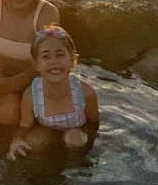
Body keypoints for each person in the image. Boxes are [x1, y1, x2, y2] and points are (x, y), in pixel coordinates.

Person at [8, 25, 98, 158]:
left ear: (73, 60)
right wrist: (16, 141)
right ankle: (42, 173)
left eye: (60, 55)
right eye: (45, 57)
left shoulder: (86, 93)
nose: (54, 62)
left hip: (74, 135)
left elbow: (94, 125)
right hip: (46, 133)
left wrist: (83, 137)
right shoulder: (31, 95)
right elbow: (24, 126)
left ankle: (74, 170)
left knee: (74, 138)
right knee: (34, 141)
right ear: (36, 64)